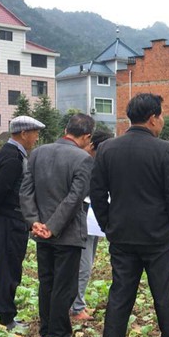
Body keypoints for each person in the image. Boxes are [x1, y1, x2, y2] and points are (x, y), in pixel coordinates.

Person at [90, 93, 169, 337]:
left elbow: (97, 193)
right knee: (163, 294)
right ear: (152, 118)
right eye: (161, 116)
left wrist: (108, 226)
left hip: (122, 235)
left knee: (120, 293)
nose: (162, 121)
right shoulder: (165, 150)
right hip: (159, 237)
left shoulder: (108, 149)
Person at [20, 113, 96, 337]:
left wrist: (35, 222)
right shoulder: (83, 158)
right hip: (67, 233)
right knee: (65, 286)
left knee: (47, 283)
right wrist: (52, 227)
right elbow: (74, 200)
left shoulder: (38, 153)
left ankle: (46, 332)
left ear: (65, 128)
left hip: (41, 232)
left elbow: (26, 191)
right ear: (86, 136)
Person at [0, 115, 45, 333]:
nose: (36, 138)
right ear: (24, 133)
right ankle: (5, 319)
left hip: (4, 221)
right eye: (35, 133)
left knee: (0, 269)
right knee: (8, 270)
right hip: (9, 221)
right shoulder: (13, 158)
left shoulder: (8, 153)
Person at [70, 130, 113, 322]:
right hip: (84, 220)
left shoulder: (97, 163)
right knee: (83, 266)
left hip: (95, 221)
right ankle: (76, 307)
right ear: (94, 146)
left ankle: (78, 304)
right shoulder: (85, 163)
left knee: (87, 263)